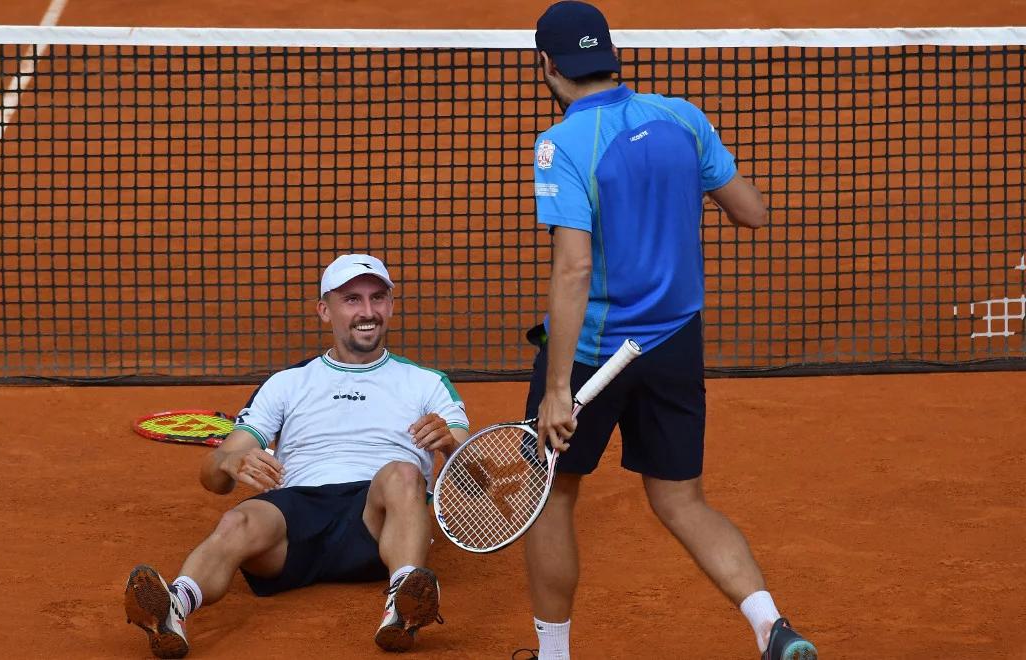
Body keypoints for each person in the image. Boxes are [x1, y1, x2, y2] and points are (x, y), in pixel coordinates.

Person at [519, 3, 818, 660]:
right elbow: (751, 212)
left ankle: (553, 654)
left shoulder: (560, 144)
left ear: (547, 65)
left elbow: (573, 268)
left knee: (552, 495)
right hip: (676, 341)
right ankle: (771, 625)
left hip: (597, 351)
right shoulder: (683, 117)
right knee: (681, 498)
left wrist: (558, 389)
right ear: (610, 56)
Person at [124, 253, 470, 658]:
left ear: (390, 306)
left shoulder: (427, 383)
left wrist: (449, 443)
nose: (368, 311)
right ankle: (173, 608)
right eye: (352, 300)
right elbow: (214, 476)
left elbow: (471, 473)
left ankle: (403, 607)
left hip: (377, 520)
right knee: (238, 519)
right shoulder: (287, 384)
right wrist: (232, 462)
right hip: (296, 517)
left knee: (402, 473)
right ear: (325, 310)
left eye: (378, 298)